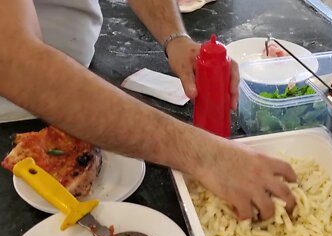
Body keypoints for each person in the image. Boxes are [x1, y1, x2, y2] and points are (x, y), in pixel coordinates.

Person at [0, 0, 297, 221]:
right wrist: (201, 153)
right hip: (11, 113)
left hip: (82, 89)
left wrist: (175, 38)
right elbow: (14, 61)